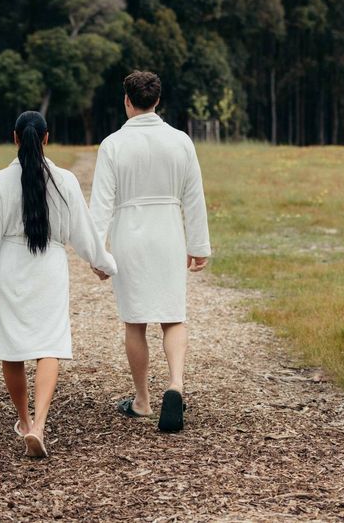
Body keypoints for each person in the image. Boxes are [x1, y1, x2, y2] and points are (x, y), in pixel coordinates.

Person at [0, 110, 118, 458]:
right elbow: (84, 232)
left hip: (9, 268)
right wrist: (102, 263)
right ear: (46, 138)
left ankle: (23, 419)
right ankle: (39, 425)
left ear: (15, 138)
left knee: (11, 347)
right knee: (48, 345)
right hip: (49, 268)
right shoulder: (64, 181)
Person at [89, 70, 211, 433]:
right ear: (157, 100)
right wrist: (198, 245)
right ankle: (175, 384)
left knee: (136, 320)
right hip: (169, 235)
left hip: (130, 237)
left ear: (127, 100)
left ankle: (142, 400)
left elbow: (101, 205)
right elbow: (194, 196)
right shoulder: (181, 141)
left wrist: (97, 253)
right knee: (174, 316)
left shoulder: (112, 144)